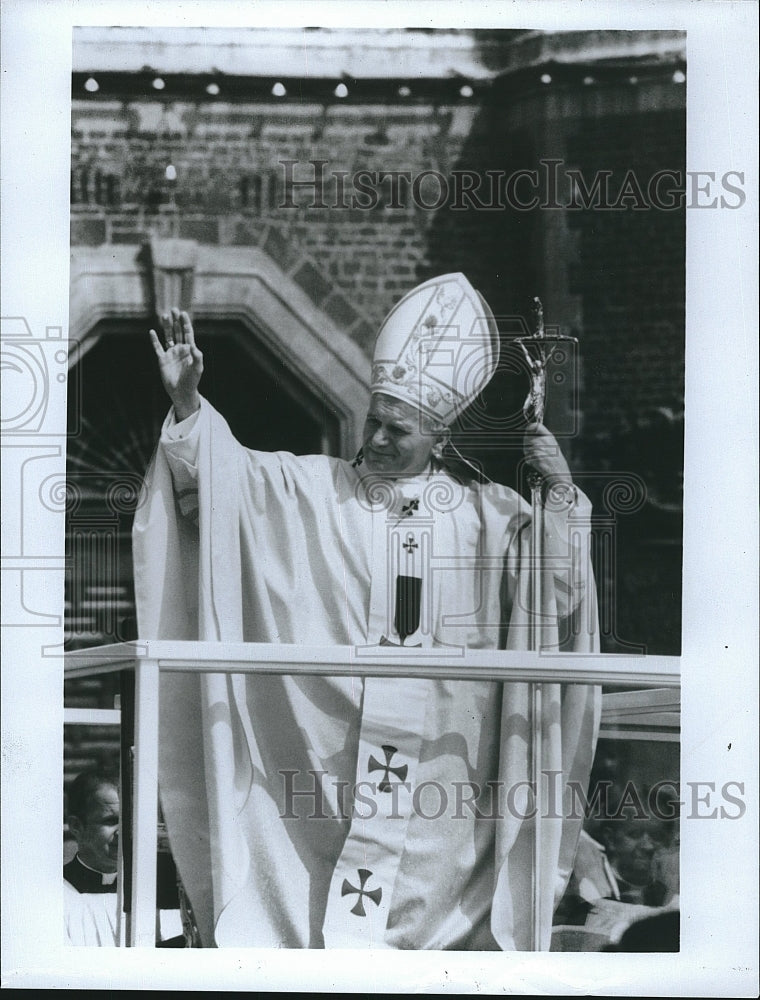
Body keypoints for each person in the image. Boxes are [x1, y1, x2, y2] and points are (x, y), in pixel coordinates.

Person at [133, 272, 600, 950]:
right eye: (373, 420)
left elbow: (552, 599)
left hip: (443, 800)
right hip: (319, 783)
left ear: (439, 438)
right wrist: (189, 406)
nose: (377, 439)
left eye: (398, 430)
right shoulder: (313, 490)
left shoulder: (488, 518)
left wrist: (559, 496)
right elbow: (225, 480)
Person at [64, 767, 187, 946]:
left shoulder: (160, 895)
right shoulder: (55, 897)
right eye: (111, 821)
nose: (124, 832)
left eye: (131, 821)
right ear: (76, 826)